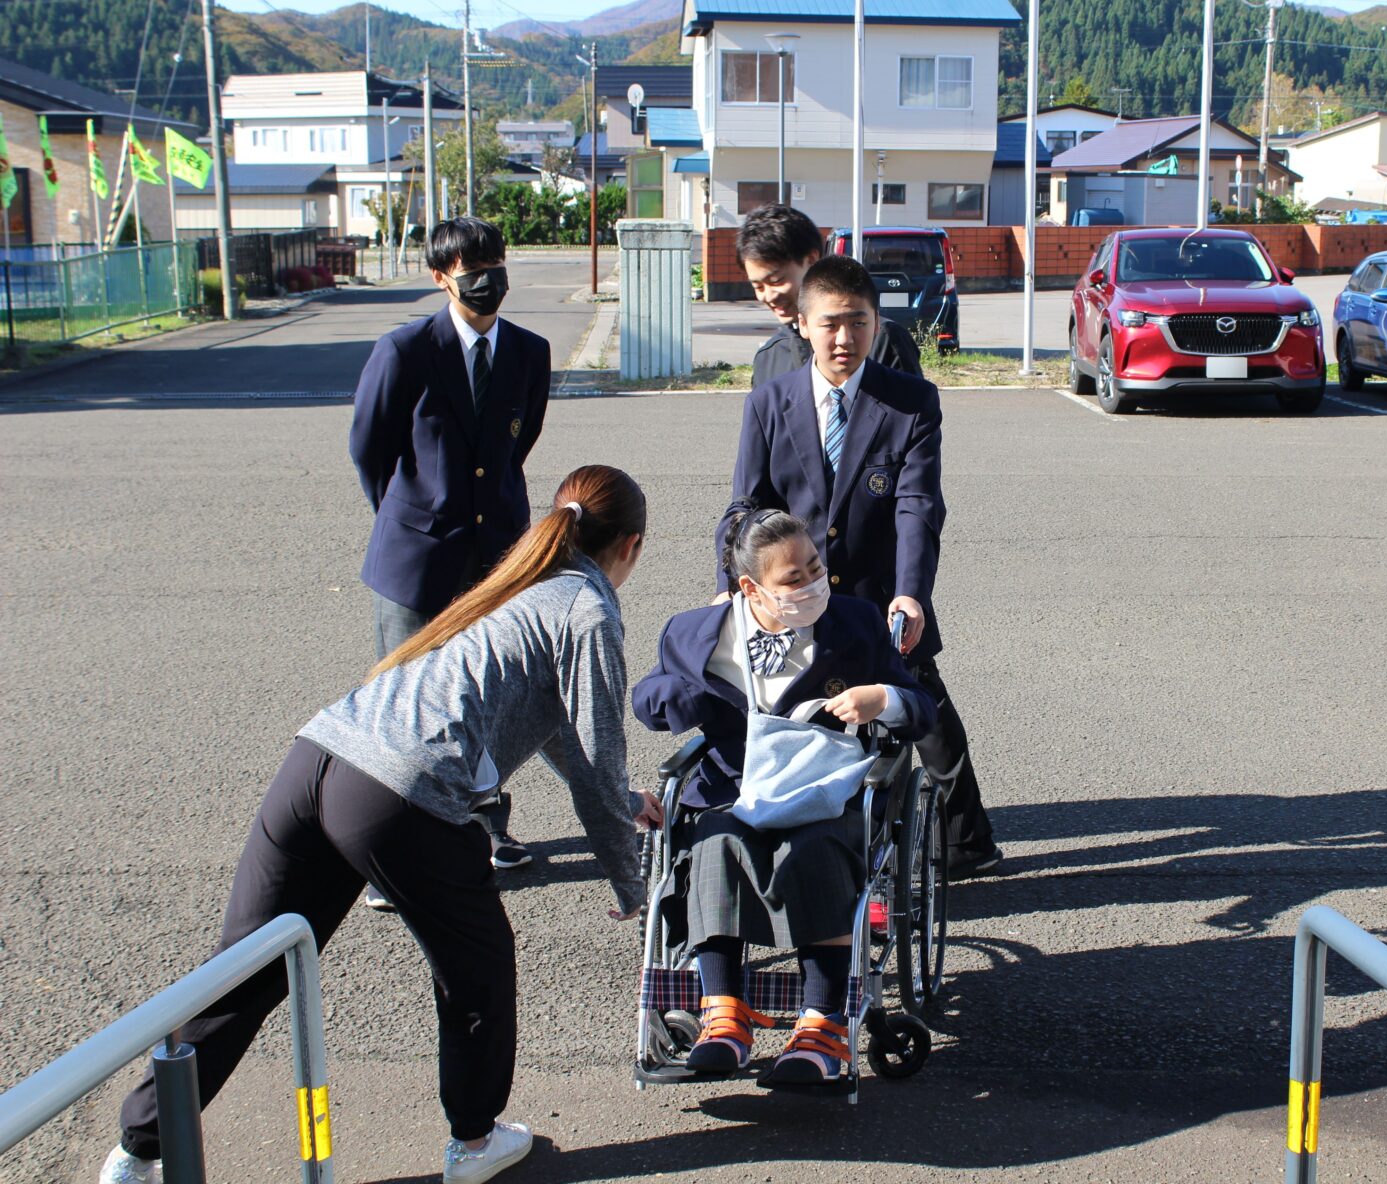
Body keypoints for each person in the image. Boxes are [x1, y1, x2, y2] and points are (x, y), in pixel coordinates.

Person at [99, 466, 660, 1184]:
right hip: (402, 792)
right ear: (632, 547)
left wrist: (623, 792)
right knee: (477, 969)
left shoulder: (517, 585)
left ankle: (138, 1150)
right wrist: (627, 875)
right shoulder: (589, 607)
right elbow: (593, 752)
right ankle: (475, 1140)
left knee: (245, 969)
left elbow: (553, 727)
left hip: (321, 757)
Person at [716, 254, 1001, 879]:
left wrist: (911, 593)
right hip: (792, 599)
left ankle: (962, 841)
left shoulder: (910, 402)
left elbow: (918, 504)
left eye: (859, 322)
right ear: (803, 324)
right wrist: (729, 595)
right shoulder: (769, 401)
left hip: (879, 597)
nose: (844, 338)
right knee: (793, 713)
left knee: (921, 712)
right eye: (829, 324)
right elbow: (746, 507)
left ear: (878, 324)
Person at [633, 508, 936, 1087]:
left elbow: (919, 708)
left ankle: (822, 1023)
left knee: (816, 847)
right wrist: (682, 698)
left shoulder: (855, 622)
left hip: (822, 787)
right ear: (749, 588)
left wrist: (882, 699)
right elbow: (646, 698)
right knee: (714, 845)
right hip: (736, 787)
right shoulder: (695, 634)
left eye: (815, 567)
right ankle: (724, 1014)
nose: (812, 584)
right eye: (793, 579)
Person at [350, 216, 551, 897]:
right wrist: (416, 517)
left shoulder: (530, 351)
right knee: (404, 705)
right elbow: (370, 449)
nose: (487, 276)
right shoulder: (405, 350)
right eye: (472, 267)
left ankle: (489, 824)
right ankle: (391, 847)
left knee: (488, 697)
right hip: (416, 560)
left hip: (496, 556)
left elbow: (517, 446)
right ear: (441, 277)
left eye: (496, 261)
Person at [736, 203, 923, 388]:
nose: (769, 296)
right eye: (758, 286)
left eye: (776, 280)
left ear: (811, 260)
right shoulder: (770, 357)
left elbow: (913, 414)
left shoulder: (883, 340)